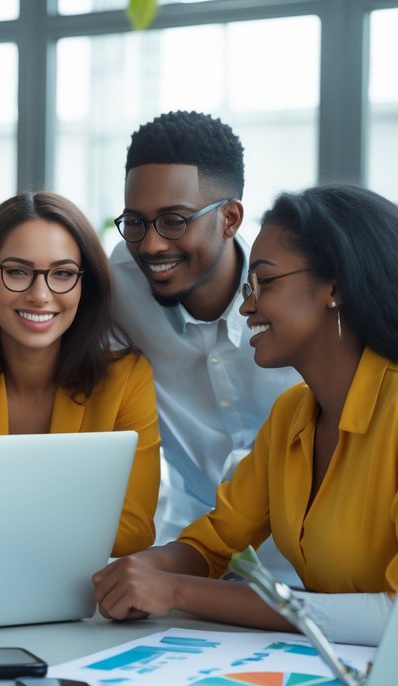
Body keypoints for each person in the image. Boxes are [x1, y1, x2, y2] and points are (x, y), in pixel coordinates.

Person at [92, 183, 398, 644]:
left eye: (265, 283)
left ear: (334, 288)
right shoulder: (292, 414)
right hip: (334, 668)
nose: (247, 306)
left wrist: (176, 591)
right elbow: (213, 544)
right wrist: (130, 572)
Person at [107, 111, 303, 577]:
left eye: (174, 221)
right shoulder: (116, 288)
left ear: (230, 218)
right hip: (188, 556)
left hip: (307, 566)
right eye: (135, 222)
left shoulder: (301, 299)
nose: (151, 246)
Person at [0, 192, 160, 557]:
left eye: (63, 274)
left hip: (78, 585)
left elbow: (134, 528)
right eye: (18, 271)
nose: (40, 295)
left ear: (84, 286)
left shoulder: (127, 377)